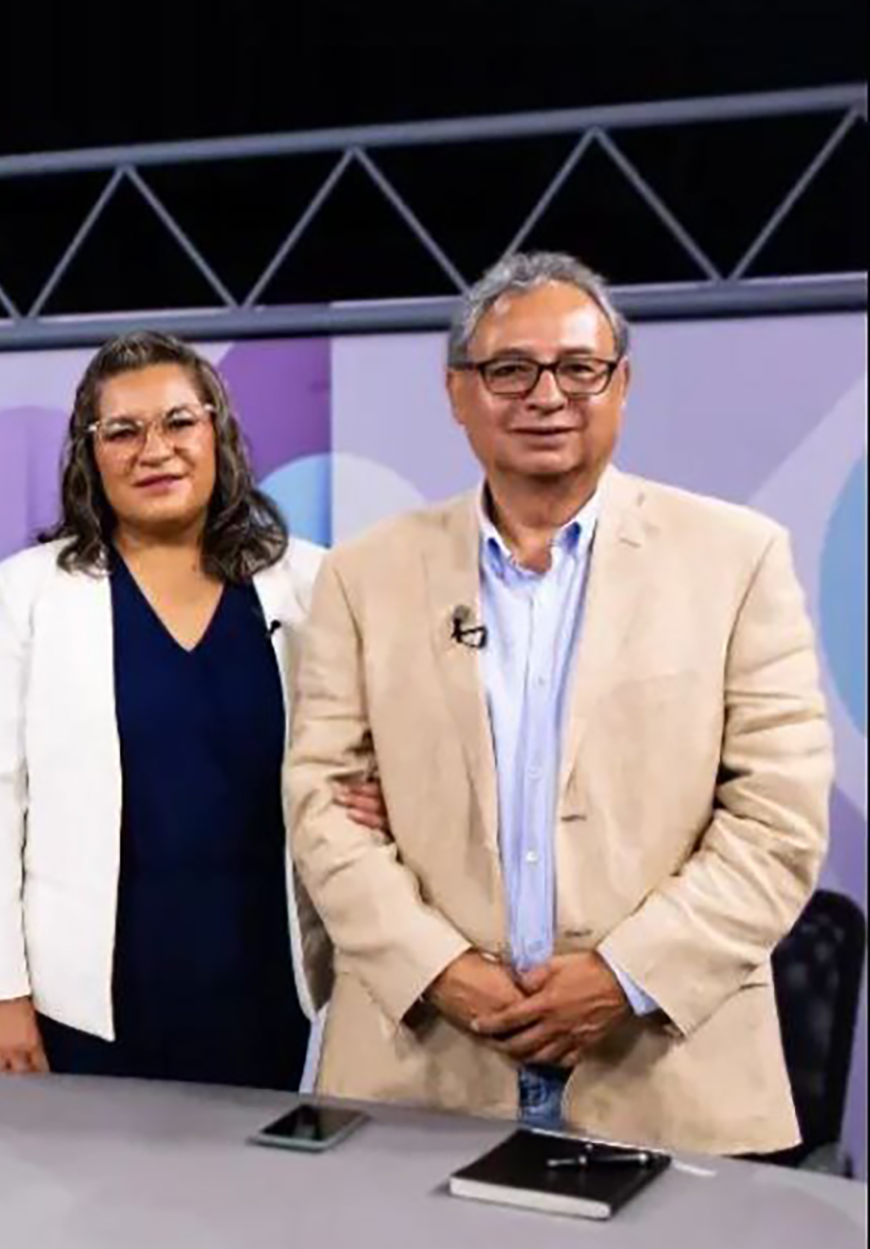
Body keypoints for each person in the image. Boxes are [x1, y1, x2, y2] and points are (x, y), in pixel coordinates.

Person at [285, 252, 832, 1154]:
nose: (547, 396)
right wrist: (444, 970)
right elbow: (322, 809)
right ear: (458, 392)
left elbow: (779, 819)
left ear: (623, 385)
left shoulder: (737, 560)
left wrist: (623, 976)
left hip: (662, 1070)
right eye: (510, 369)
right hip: (423, 1069)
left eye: (580, 368)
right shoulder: (363, 574)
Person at [0, 332, 331, 1088]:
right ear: (89, 454)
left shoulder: (310, 579)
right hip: (88, 996)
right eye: (122, 431)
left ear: (217, 432)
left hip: (271, 979)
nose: (154, 450)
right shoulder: (29, 592)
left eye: (178, 422)